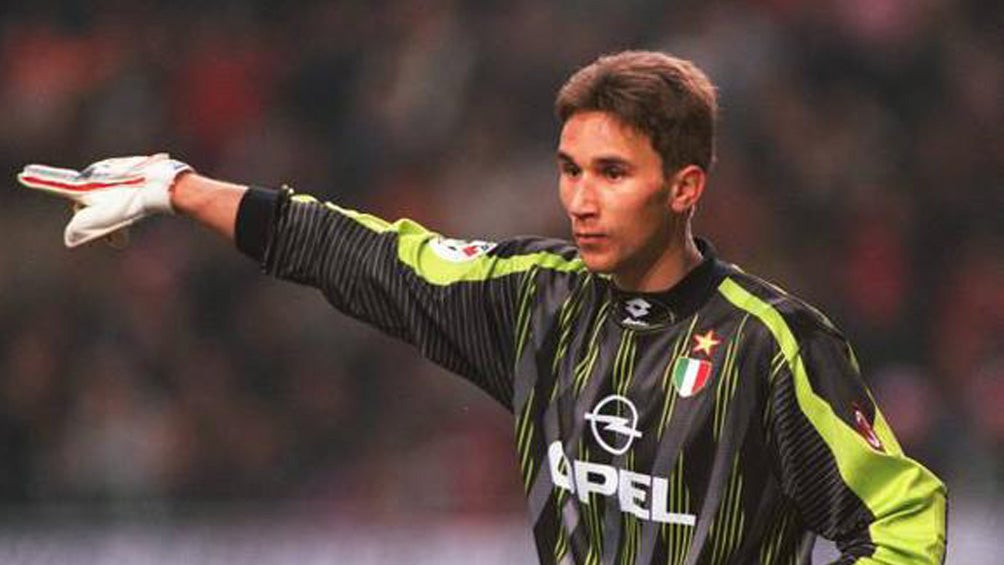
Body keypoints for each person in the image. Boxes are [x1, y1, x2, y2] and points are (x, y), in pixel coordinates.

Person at [18, 51, 946, 564]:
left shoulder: (771, 343)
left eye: (612, 173)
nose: (580, 200)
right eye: (570, 170)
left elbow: (902, 522)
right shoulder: (535, 297)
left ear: (684, 186)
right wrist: (180, 188)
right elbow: (362, 254)